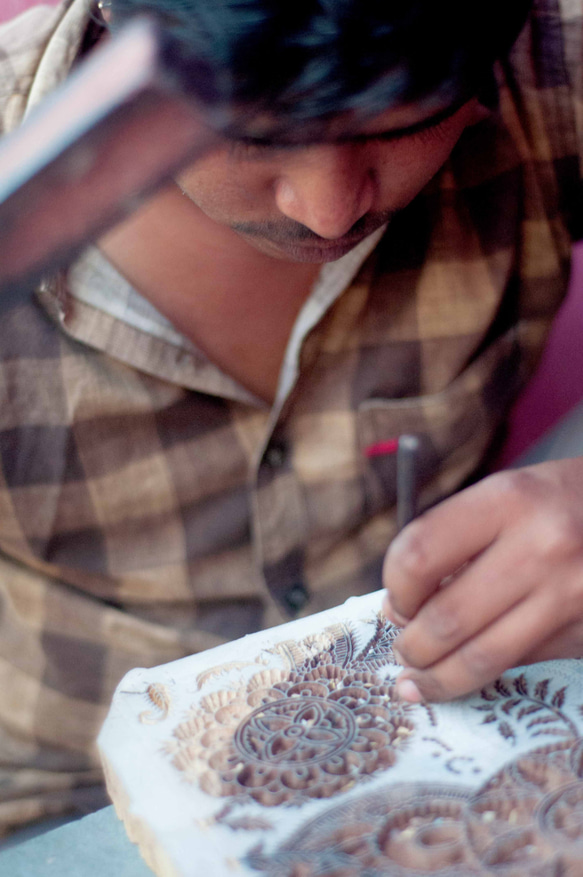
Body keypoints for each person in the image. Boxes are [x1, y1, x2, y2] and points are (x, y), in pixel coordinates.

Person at [0, 0, 581, 833]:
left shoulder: (549, 61)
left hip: (432, 723)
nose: (327, 210)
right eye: (254, 132)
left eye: (402, 121)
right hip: (62, 794)